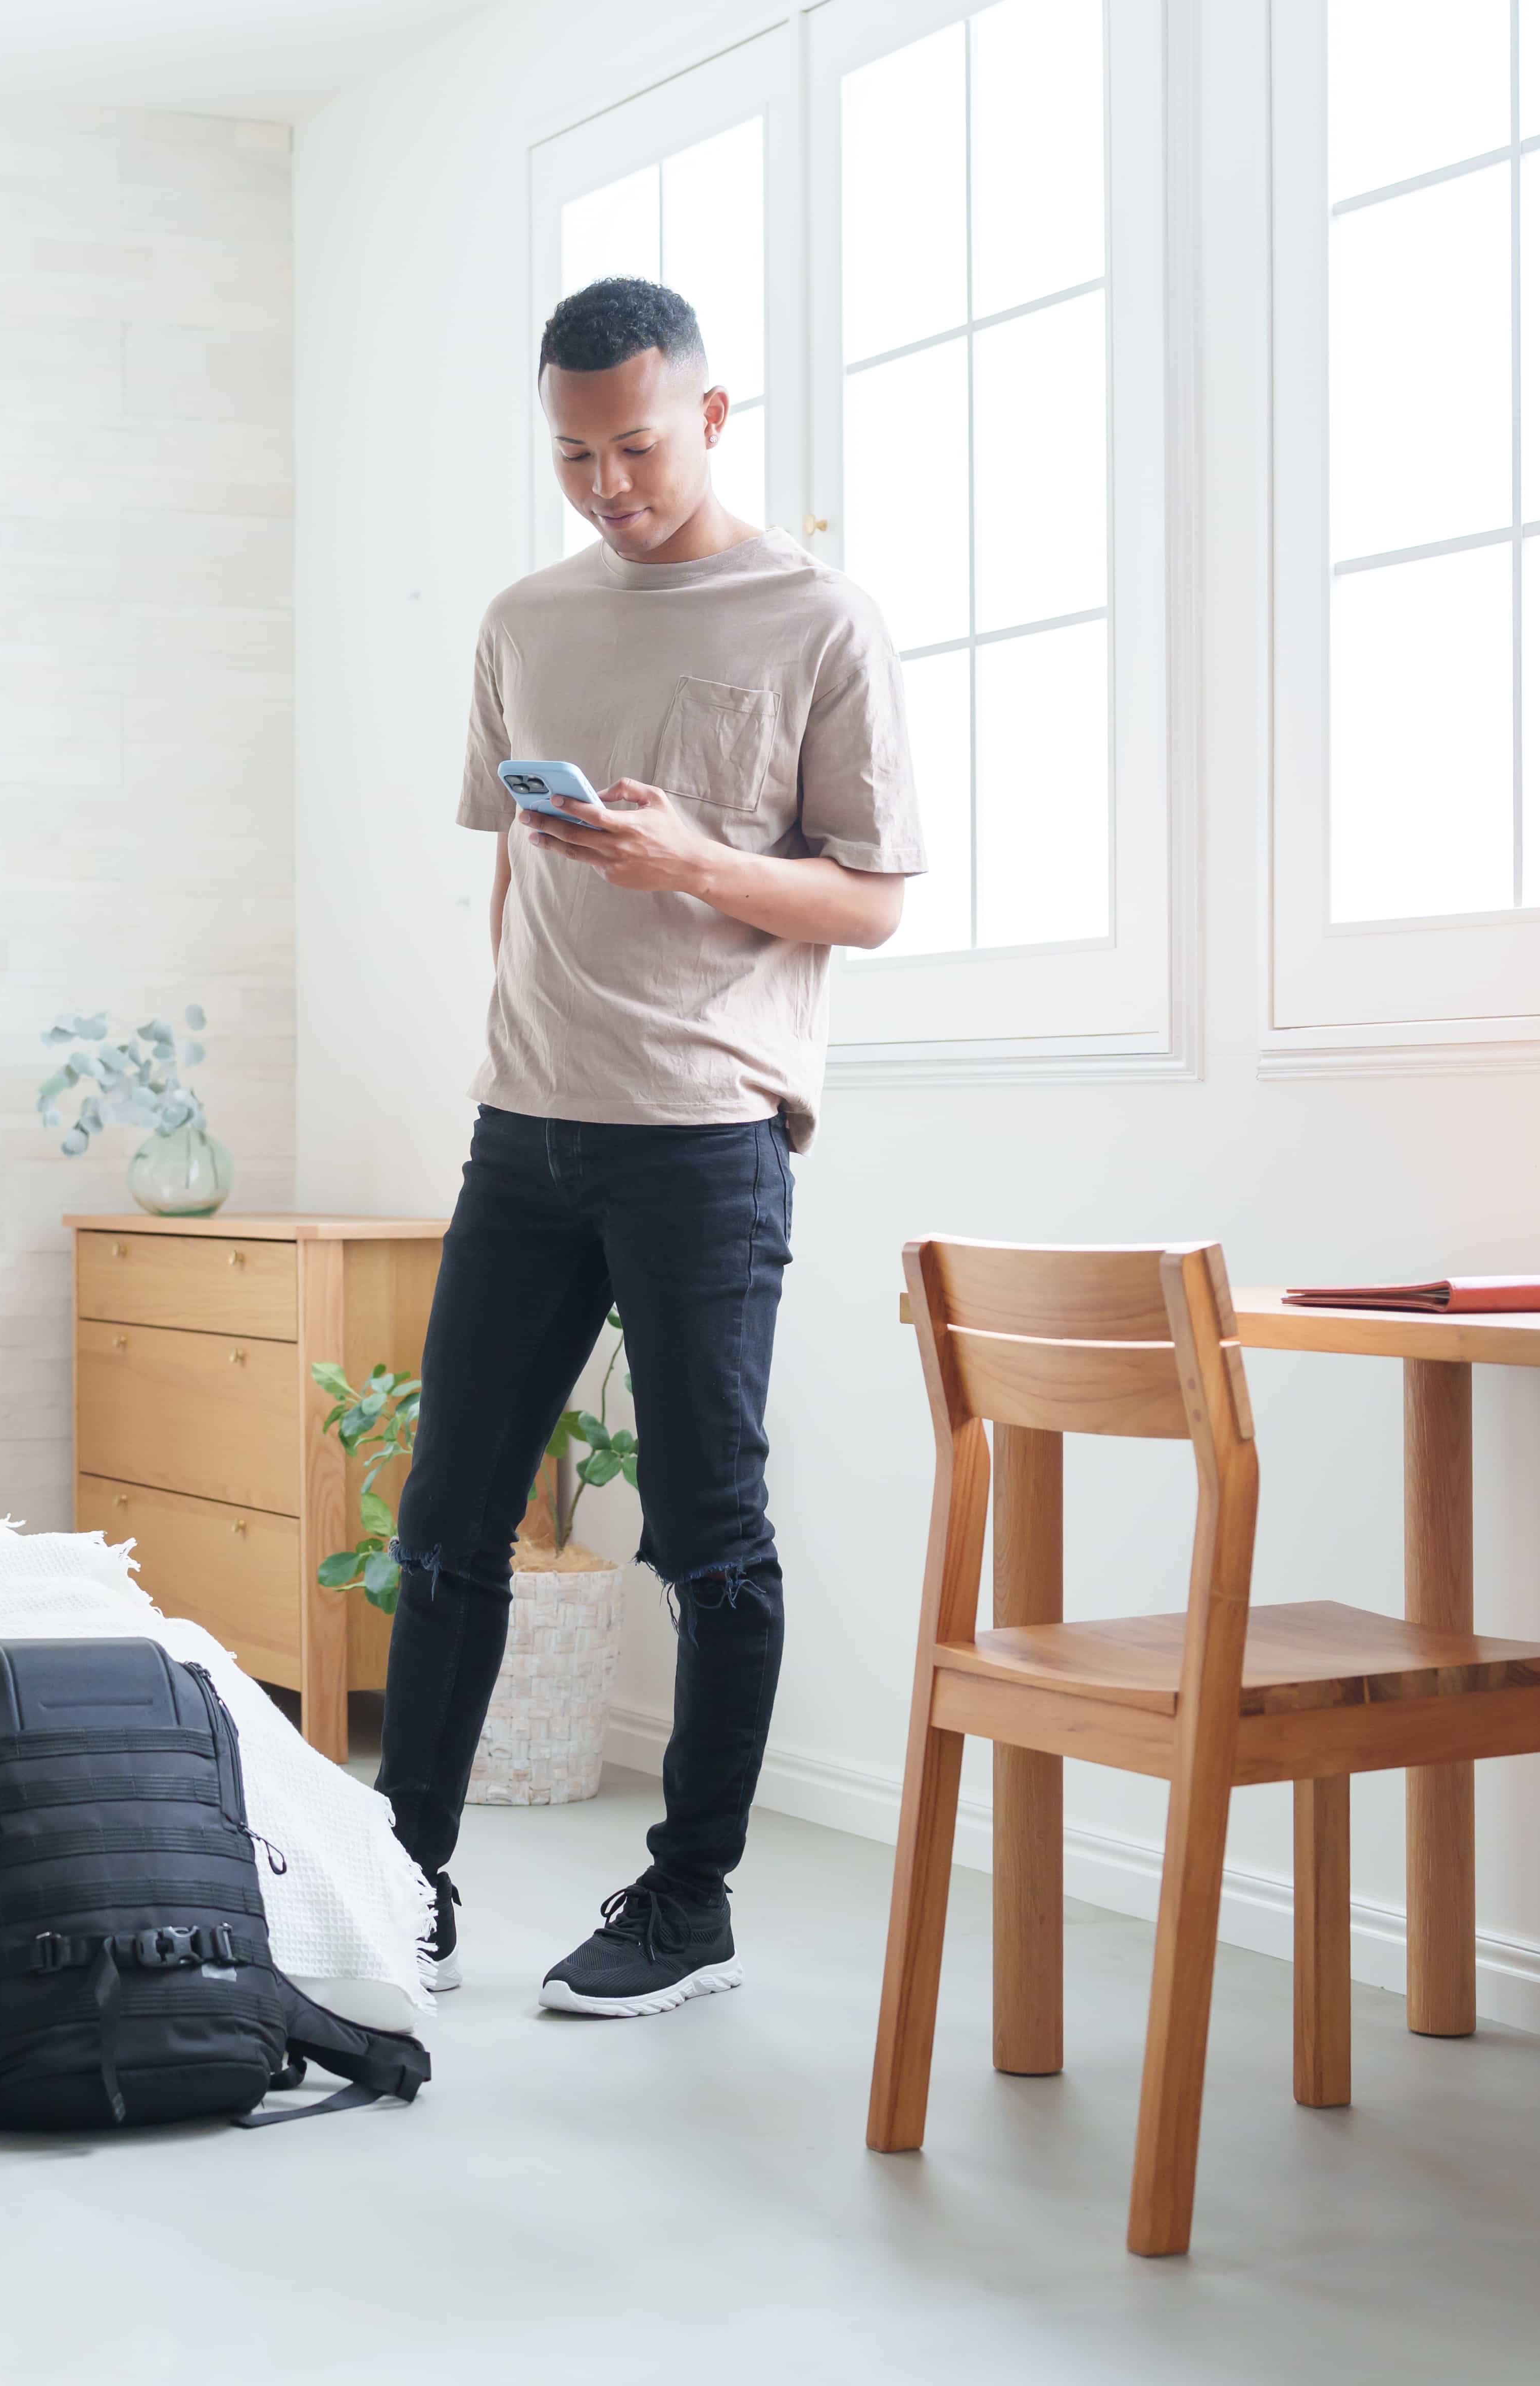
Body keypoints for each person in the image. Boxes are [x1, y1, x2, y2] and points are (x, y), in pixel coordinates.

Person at [381, 274, 920, 2017]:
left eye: (634, 447)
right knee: (448, 1521)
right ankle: (402, 1883)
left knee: (708, 1536)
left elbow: (874, 901)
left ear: (709, 416)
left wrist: (695, 862)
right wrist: (524, 1035)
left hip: (701, 1140)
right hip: (524, 1128)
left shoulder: (819, 620)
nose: (607, 486)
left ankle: (689, 1906)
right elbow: (513, 872)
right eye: (573, 455)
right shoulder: (526, 620)